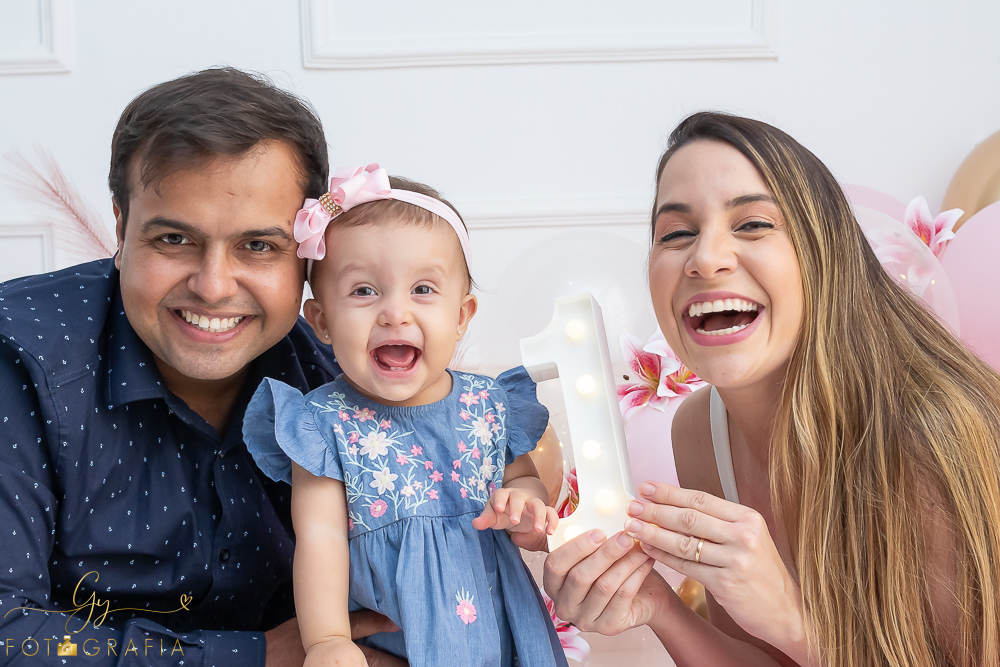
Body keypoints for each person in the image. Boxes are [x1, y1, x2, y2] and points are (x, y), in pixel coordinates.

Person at [542, 112, 1000, 666]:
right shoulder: (701, 431)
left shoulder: (935, 435)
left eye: (753, 224)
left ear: (824, 253)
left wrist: (790, 619)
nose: (705, 258)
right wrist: (659, 606)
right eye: (677, 233)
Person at [0, 68, 402, 667]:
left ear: (306, 252)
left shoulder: (346, 377)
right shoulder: (20, 360)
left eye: (258, 246)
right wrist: (255, 658)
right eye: (173, 240)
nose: (213, 287)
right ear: (121, 227)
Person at [242, 164, 566, 666]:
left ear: (461, 316)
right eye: (364, 291)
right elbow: (321, 540)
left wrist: (525, 505)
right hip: (394, 636)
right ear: (322, 321)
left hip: (496, 623)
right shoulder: (324, 424)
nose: (395, 312)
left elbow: (523, 480)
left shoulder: (488, 404)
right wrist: (328, 640)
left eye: (423, 289)